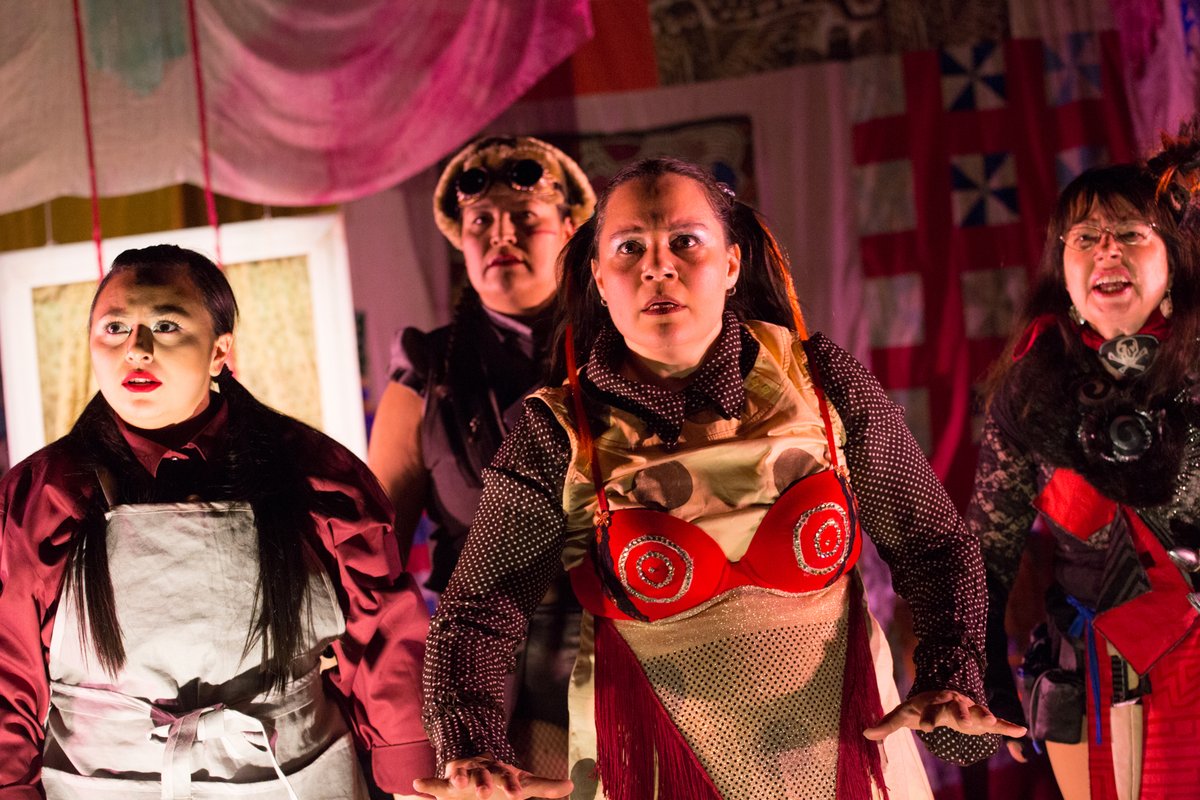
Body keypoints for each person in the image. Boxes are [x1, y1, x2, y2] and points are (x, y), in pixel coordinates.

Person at [416, 157, 1022, 800]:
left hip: (847, 760)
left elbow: (935, 545)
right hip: (656, 767)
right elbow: (478, 610)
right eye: (629, 248)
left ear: (731, 264)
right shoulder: (556, 432)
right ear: (597, 277)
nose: (658, 266)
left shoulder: (819, 382)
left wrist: (949, 674)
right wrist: (471, 746)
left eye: (685, 241)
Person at [0, 245, 432, 798]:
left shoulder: (315, 475)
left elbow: (385, 636)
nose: (137, 349)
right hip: (101, 784)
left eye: (166, 324)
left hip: (292, 778)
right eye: (114, 327)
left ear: (219, 350)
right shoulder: (41, 494)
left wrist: (412, 777)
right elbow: (9, 673)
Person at [967, 135, 1200, 800]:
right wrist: (985, 679)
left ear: (1174, 263)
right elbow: (984, 557)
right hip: (1093, 679)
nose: (1106, 250)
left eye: (1130, 232)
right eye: (1083, 239)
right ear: (1063, 276)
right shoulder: (1028, 391)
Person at [368, 136, 595, 779]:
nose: (503, 237)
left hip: (625, 627)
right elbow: (374, 542)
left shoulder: (626, 351)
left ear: (571, 231)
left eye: (526, 220)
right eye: (481, 224)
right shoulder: (427, 369)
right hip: (486, 660)